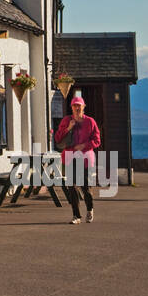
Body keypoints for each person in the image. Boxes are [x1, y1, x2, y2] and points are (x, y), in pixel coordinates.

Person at [55, 93, 102, 223]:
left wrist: (84, 146)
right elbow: (58, 138)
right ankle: (76, 216)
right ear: (71, 107)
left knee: (85, 187)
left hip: (85, 158)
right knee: (72, 187)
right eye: (75, 106)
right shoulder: (66, 120)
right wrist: (68, 127)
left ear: (83, 107)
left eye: (79, 106)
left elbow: (97, 140)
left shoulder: (90, 121)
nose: (77, 108)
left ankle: (89, 209)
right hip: (70, 157)